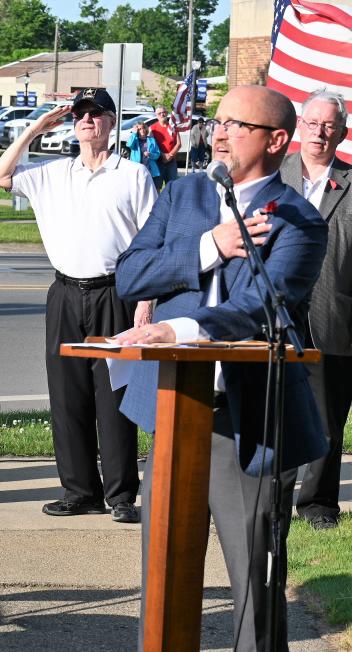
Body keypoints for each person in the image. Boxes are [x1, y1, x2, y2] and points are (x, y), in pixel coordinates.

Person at [112, 85, 329, 650]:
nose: (221, 132)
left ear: (277, 141)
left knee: (253, 583)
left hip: (247, 419)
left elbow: (266, 303)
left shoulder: (300, 220)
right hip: (175, 410)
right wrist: (209, 245)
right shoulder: (184, 197)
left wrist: (177, 330)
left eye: (239, 124)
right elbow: (132, 277)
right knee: (162, 572)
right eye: (221, 120)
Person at [0, 88, 156, 524]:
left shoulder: (132, 174)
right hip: (64, 293)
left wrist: (146, 302)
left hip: (115, 294)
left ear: (111, 121)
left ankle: (121, 495)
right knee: (67, 397)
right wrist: (33, 129)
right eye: (80, 115)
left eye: (96, 114)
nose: (86, 121)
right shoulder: (52, 173)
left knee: (113, 397)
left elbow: (151, 244)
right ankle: (80, 491)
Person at [281, 88, 351, 531]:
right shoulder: (272, 176)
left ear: (341, 133)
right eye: (313, 123)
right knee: (272, 407)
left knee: (327, 417)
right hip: (275, 315)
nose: (320, 133)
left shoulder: (349, 182)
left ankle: (318, 501)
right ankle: (272, 489)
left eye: (329, 125)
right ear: (298, 128)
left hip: (334, 314)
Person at [150, 105, 180, 187]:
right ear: (156, 115)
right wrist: (163, 155)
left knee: (172, 186)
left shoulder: (173, 127)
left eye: (164, 112)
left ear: (167, 113)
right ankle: (159, 200)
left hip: (171, 161)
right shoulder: (152, 128)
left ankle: (170, 200)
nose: (162, 115)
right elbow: (152, 145)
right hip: (158, 161)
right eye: (159, 113)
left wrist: (170, 155)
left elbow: (178, 143)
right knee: (157, 186)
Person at [126, 120, 161, 185]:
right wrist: (134, 133)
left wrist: (150, 154)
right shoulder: (135, 140)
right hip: (137, 169)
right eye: (139, 129)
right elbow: (129, 145)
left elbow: (157, 154)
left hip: (149, 169)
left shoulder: (152, 140)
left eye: (143, 128)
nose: (142, 130)